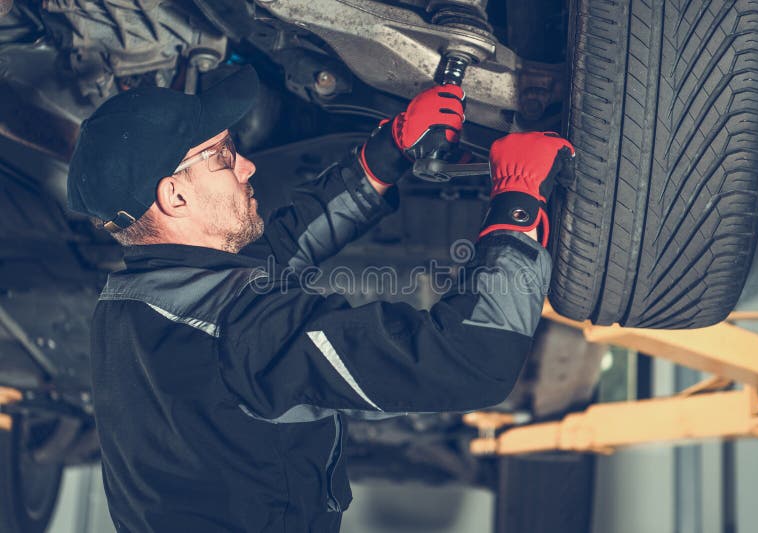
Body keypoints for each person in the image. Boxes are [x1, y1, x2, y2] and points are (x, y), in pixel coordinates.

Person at [67, 65, 575, 532]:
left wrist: (387, 153)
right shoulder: (243, 335)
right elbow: (472, 360)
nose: (246, 166)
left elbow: (281, 248)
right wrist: (517, 205)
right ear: (174, 197)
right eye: (222, 157)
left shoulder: (131, 303)